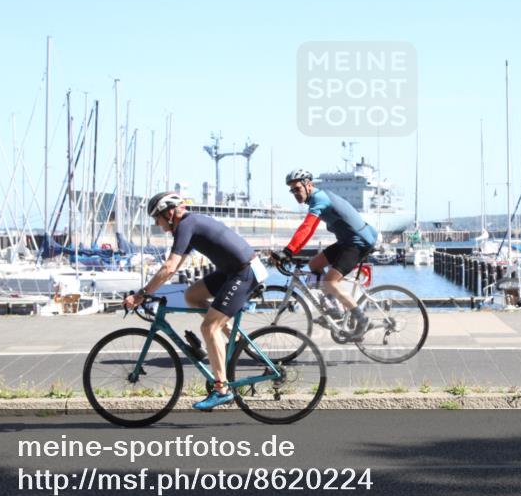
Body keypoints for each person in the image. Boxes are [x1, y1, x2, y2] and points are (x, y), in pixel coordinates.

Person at [124, 191, 267, 409]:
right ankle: (234, 339)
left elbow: (170, 267)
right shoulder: (189, 225)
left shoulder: (186, 226)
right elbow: (175, 265)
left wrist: (142, 294)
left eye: (158, 219)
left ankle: (222, 389)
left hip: (243, 272)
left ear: (169, 213)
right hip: (232, 271)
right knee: (192, 295)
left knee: (209, 327)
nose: (159, 225)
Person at [272, 169, 378, 338]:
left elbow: (307, 227)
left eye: (297, 188)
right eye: (292, 190)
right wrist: (290, 251)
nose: (295, 193)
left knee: (330, 282)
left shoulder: (320, 199)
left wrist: (288, 251)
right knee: (314, 265)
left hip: (359, 242)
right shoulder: (318, 199)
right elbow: (310, 229)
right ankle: (334, 308)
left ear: (309, 185)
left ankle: (362, 319)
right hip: (347, 241)